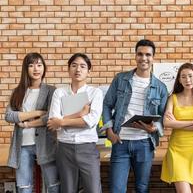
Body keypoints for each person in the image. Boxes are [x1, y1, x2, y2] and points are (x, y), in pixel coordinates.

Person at [102, 39, 168, 193]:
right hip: (120, 142)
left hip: (145, 144)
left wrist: (154, 128)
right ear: (135, 55)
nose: (143, 58)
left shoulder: (160, 87)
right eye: (140, 54)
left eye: (148, 55)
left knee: (142, 188)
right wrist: (109, 131)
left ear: (153, 57)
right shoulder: (121, 79)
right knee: (117, 189)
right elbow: (106, 105)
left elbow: (163, 118)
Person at [47, 53, 103, 193]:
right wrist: (79, 114)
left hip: (87, 148)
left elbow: (90, 121)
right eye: (74, 65)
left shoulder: (95, 93)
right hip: (64, 148)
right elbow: (53, 120)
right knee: (68, 189)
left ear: (89, 71)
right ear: (68, 69)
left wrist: (62, 121)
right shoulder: (59, 92)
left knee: (94, 190)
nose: (78, 69)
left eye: (83, 66)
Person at [5, 52, 59, 193]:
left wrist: (27, 123)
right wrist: (37, 113)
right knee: (24, 187)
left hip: (46, 144)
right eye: (31, 65)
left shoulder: (51, 91)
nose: (36, 69)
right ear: (26, 69)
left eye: (39, 65)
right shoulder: (18, 92)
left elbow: (51, 117)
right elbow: (9, 116)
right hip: (22, 145)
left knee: (53, 185)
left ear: (44, 68)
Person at [160, 63, 193, 193]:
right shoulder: (173, 98)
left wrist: (177, 123)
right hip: (176, 150)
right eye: (183, 77)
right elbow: (166, 123)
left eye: (190, 76)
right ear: (179, 79)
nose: (187, 80)